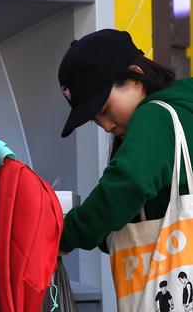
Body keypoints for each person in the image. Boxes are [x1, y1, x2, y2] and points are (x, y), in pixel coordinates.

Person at [57, 28, 193, 256]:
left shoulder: (155, 116)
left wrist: (64, 235)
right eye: (95, 120)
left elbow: (126, 185)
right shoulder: (182, 107)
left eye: (106, 109)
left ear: (136, 75)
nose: (107, 126)